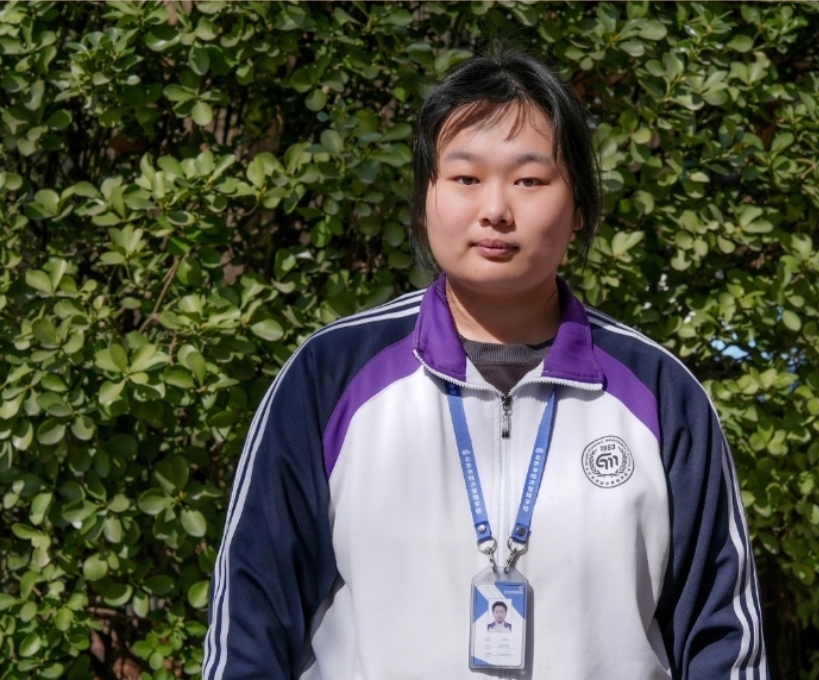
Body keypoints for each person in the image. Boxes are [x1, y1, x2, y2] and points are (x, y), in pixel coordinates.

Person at [203, 45, 767, 680]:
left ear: (579, 208)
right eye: (465, 178)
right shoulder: (330, 376)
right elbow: (250, 621)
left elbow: (722, 640)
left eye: (529, 181)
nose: (495, 209)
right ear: (426, 197)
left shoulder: (660, 394)